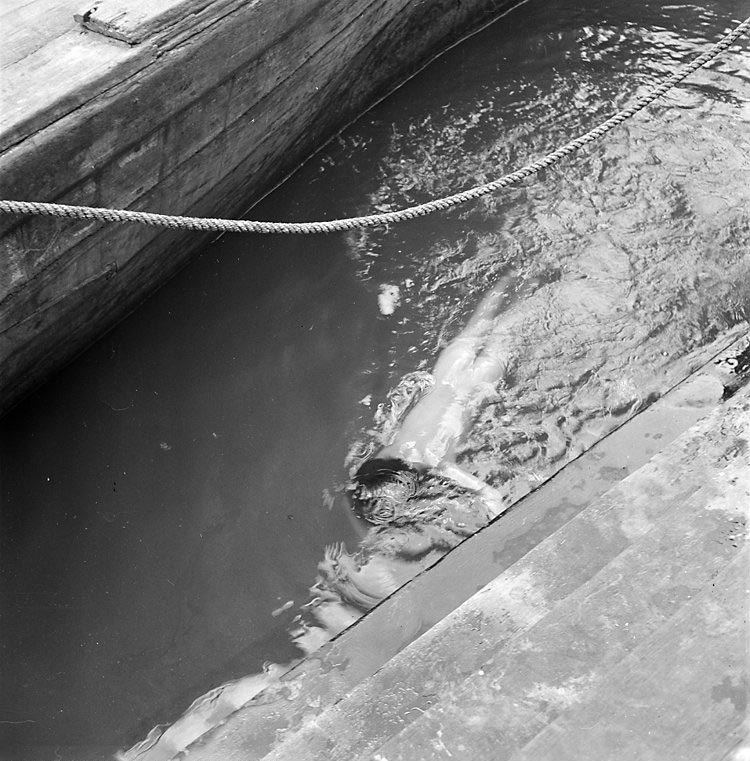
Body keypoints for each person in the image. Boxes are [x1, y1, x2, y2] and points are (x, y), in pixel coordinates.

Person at [350, 271, 533, 523]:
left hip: (477, 382)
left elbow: (485, 490)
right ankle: (513, 275)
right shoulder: (390, 445)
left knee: (510, 329)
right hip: (448, 368)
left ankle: (532, 286)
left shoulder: (434, 462)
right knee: (480, 321)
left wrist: (493, 506)